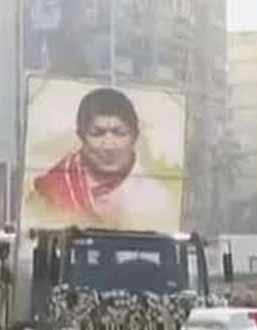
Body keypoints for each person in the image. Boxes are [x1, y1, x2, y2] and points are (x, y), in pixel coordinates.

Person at [28, 87, 177, 231]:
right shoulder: (51, 189)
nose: (109, 146)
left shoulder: (156, 198)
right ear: (81, 136)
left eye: (119, 133)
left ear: (135, 136)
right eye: (97, 133)